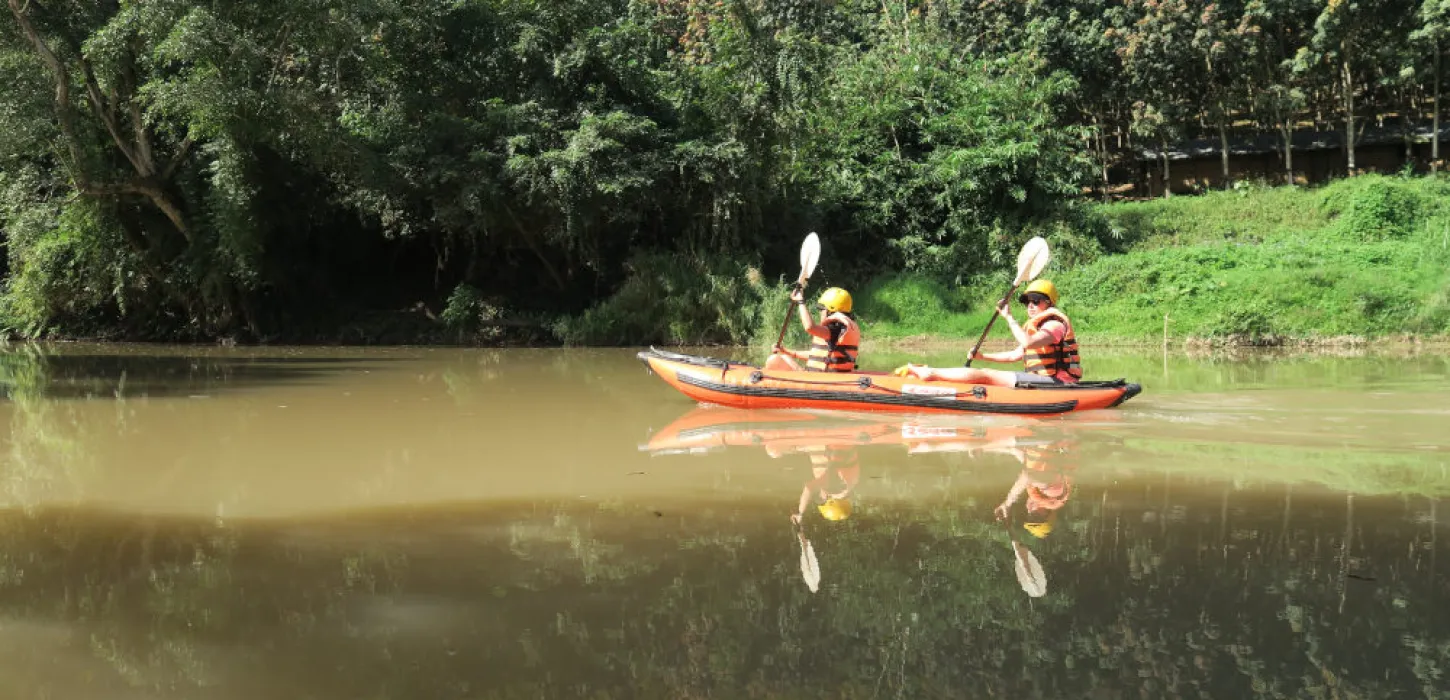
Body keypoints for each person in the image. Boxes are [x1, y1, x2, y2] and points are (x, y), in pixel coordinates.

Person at [892, 279, 1081, 387]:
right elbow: (1015, 355)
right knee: (987, 372)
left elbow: (1028, 343)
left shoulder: (1055, 325)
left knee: (986, 375)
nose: (1030, 305)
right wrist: (983, 356)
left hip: (1057, 383)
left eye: (1036, 300)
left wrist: (1009, 317)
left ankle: (931, 373)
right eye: (1027, 301)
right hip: (1044, 380)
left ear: (1049, 303)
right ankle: (935, 374)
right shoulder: (1037, 326)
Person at [766, 286, 861, 372]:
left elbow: (809, 327)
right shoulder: (841, 327)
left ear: (829, 310)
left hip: (825, 379)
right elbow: (816, 356)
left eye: (821, 309)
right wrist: (786, 351)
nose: (820, 312)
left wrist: (800, 301)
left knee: (773, 360)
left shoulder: (836, 328)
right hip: (824, 377)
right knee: (784, 357)